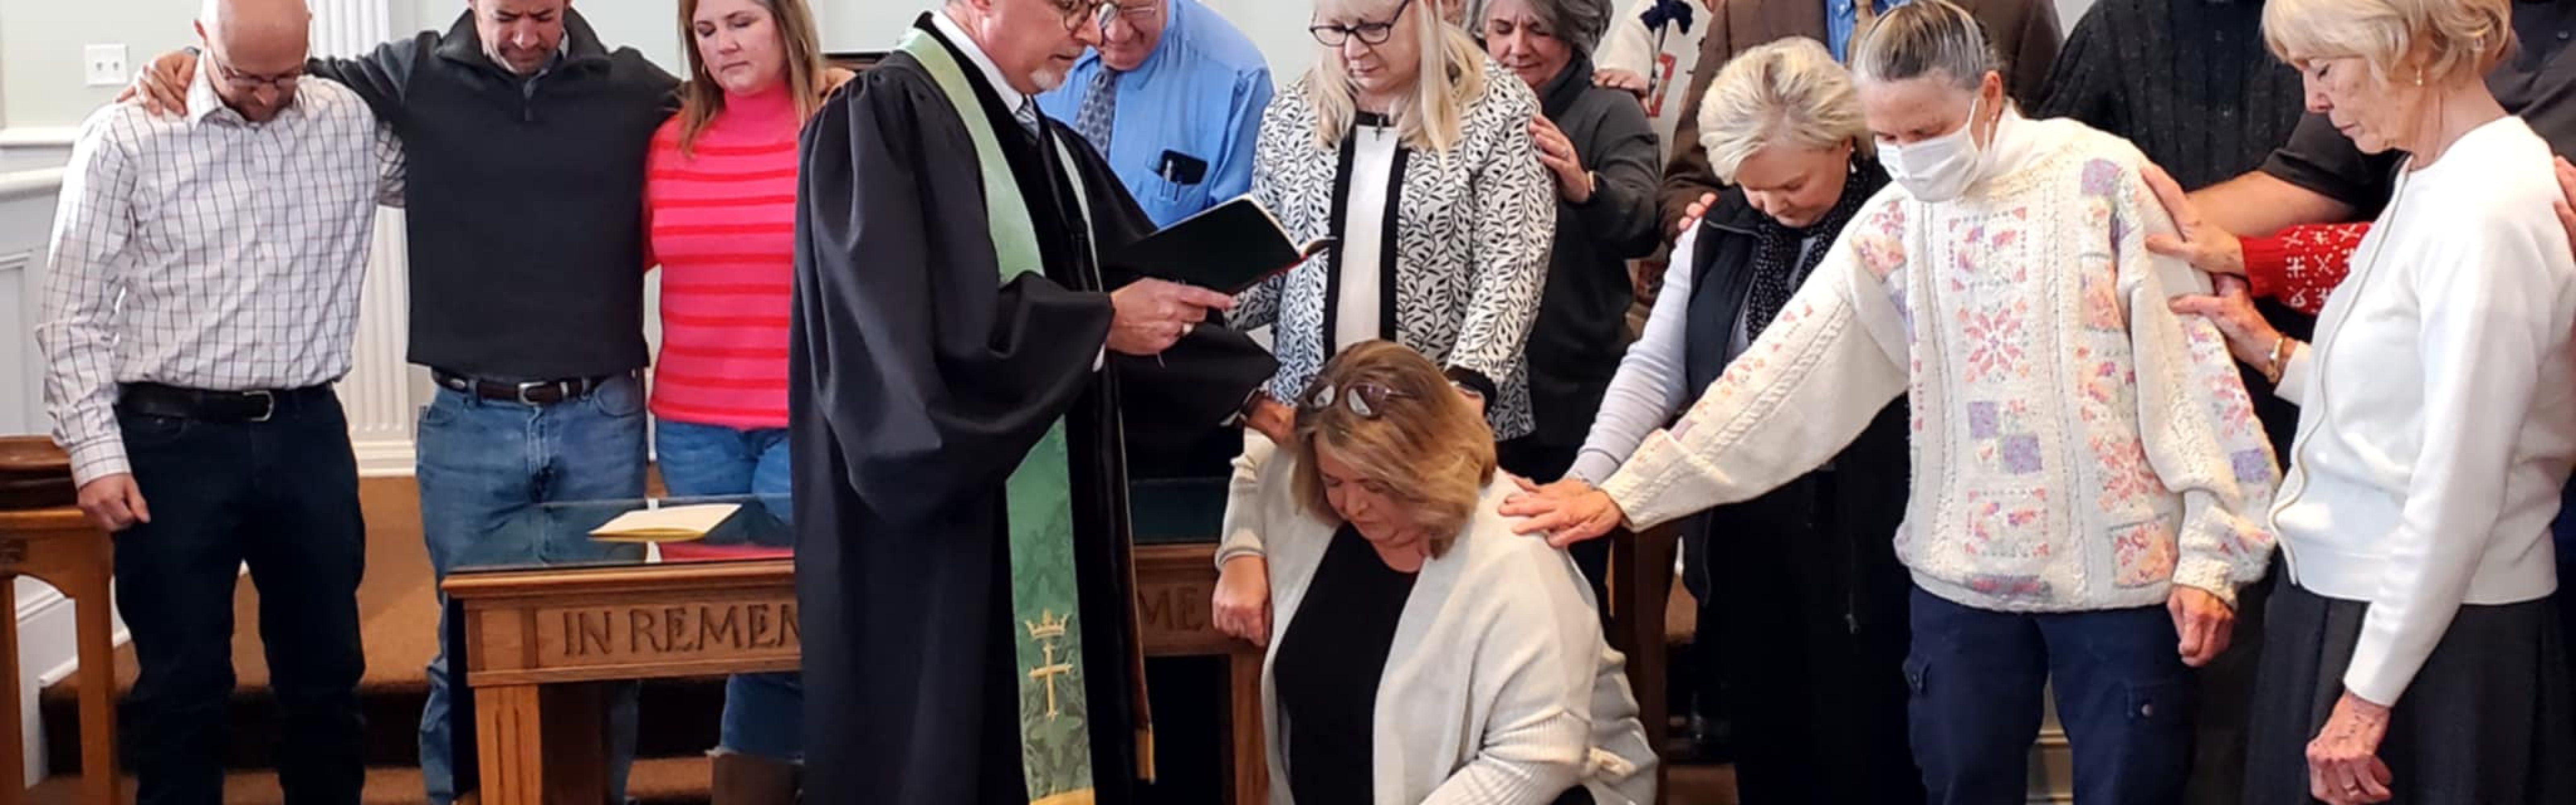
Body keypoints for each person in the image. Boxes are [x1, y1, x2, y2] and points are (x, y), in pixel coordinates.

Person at [1504, 4, 2280, 803]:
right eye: (1889, 137)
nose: (1907, 155)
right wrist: (1625, 491)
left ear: (1987, 94)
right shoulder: (1894, 217)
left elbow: (2189, 373)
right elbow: (1782, 373)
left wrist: (2211, 555)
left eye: (1926, 131)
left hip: (2120, 577)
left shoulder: (2103, 178)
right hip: (1959, 578)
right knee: (1955, 783)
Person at [119, 2, 683, 800]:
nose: (525, 36)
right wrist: (180, 59)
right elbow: (270, 71)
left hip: (602, 418)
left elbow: (733, 97)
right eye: (506, 15)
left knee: (602, 643)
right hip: (468, 421)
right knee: (466, 645)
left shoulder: (632, 85)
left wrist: (824, 80)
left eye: (543, 15)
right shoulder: (411, 72)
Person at [788, 0, 1279, 800]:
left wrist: (1250, 396)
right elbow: (911, 349)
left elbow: (1123, 281)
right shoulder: (879, 121)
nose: (1090, 34)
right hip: (945, 552)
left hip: (1040, 527)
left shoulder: (1041, 141)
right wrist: (1096, 325)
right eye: (1071, 6)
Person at [2163, 0, 2576, 803]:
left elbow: (2461, 479)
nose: (2313, 102)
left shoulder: (2488, 207)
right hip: (2378, 605)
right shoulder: (2430, 176)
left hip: (2425, 629)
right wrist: (2269, 350)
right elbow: (2402, 398)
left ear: (2410, 49)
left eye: (2324, 70)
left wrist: (2367, 695)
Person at [1532, 36, 1918, 805]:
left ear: (1844, 141)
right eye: (1752, 185)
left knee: (1867, 753)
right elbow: (1656, 368)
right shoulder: (1721, 227)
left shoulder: (1897, 226)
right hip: (1746, 530)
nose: (1772, 205)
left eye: (1792, 183)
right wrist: (1589, 477)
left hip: (1868, 534)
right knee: (1770, 751)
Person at [36, 0, 403, 801]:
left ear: (311, 39)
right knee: (182, 682)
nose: (267, 96)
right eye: (245, 76)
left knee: (326, 672)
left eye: (285, 76)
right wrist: (94, 454)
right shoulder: (126, 135)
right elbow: (72, 311)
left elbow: (461, 165)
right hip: (171, 439)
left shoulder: (345, 120)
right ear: (201, 38)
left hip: (307, 432)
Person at [2027, 2, 2304, 801]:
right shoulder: (2117, 26)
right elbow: (2050, 189)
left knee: (2279, 646)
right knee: (2165, 653)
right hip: (2146, 386)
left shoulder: (2320, 22)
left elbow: (2355, 179)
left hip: (2298, 366)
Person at [1210, 341, 1660, 805]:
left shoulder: (1516, 555)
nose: (1353, 504)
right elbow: (1258, 465)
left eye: (1376, 484)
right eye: (1333, 481)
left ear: (1424, 466)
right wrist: (1241, 551)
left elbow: (1537, 757)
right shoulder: (1316, 494)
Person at [644, 0, 836, 800]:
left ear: (786, 24)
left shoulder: (837, 127)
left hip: (806, 419)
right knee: (740, 628)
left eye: (741, 22)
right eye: (705, 30)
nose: (722, 44)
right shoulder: (670, 142)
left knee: (793, 621)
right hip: (693, 428)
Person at [1232, 0, 1554, 446]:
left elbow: (1512, 264)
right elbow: (1269, 265)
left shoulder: (1499, 108)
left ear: (1429, 10)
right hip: (1308, 419)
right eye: (1335, 29)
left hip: (1441, 425)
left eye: (1372, 28)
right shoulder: (1293, 112)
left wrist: (1468, 385)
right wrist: (1193, 313)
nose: (1352, 51)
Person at [1654, 0, 2060, 237]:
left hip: (1967, 266)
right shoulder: (1747, 10)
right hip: (1779, 288)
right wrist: (1701, 224)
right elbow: (1689, 178)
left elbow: (2047, 152)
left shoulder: (2011, 8)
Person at [1035, 0, 1273, 228]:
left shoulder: (1238, 81)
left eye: (1138, 10)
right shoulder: (1034, 48)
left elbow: (1238, 238)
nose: (1117, 34)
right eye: (1098, 9)